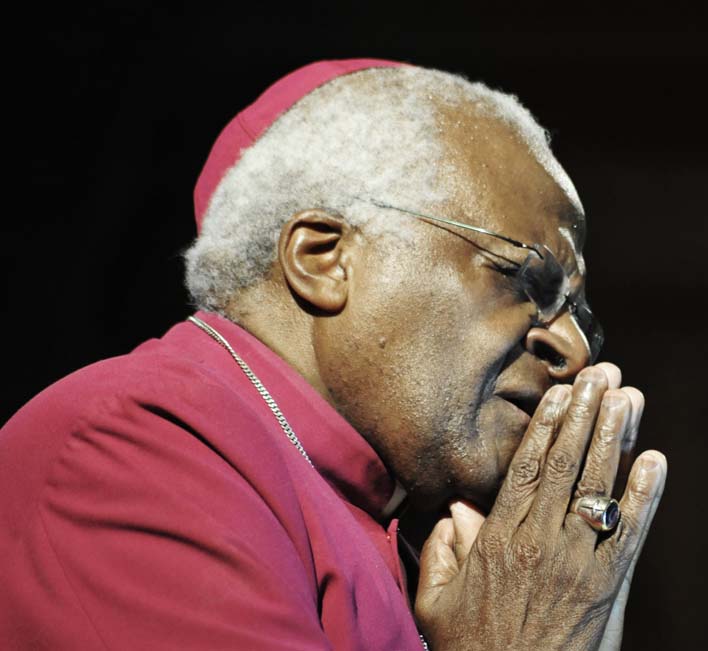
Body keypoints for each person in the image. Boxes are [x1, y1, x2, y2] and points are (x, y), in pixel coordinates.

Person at [0, 58, 667, 650]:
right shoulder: (131, 442)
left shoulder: (406, 528)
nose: (574, 349)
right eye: (525, 279)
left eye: (579, 314)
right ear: (322, 258)